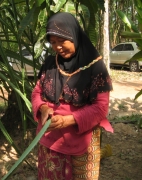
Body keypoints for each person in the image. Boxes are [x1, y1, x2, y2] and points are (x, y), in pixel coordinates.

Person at [31, 12, 113, 180]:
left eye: (62, 41)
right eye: (53, 42)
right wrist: (43, 107)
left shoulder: (95, 67)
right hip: (50, 138)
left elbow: (101, 107)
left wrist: (68, 120)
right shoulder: (49, 64)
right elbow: (37, 92)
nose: (58, 47)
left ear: (75, 36)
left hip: (82, 137)